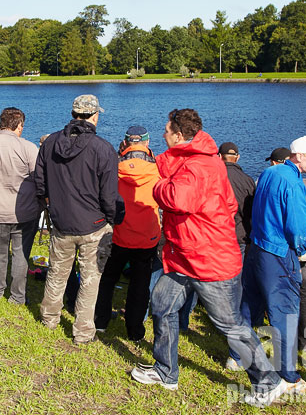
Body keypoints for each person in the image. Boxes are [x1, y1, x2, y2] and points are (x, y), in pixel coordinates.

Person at [131, 109, 288, 406]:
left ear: (179, 135)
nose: (163, 133)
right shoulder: (205, 161)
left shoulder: (198, 166)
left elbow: (177, 199)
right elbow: (228, 204)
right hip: (183, 256)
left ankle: (268, 381)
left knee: (230, 324)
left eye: (167, 130)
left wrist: (157, 186)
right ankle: (166, 371)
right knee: (162, 306)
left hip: (209, 260)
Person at [241, 136, 306, 393]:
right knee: (286, 314)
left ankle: (237, 357)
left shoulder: (269, 172)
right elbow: (297, 227)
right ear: (298, 155)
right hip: (279, 253)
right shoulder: (294, 182)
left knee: (247, 308)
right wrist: (302, 249)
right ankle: (288, 376)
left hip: (257, 248)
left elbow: (258, 206)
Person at [35, 94, 117, 345]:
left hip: (62, 222)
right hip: (94, 225)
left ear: (73, 115)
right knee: (90, 280)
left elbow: (40, 184)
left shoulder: (49, 144)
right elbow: (109, 194)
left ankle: (49, 319)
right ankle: (82, 332)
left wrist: (50, 206)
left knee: (57, 274)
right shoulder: (103, 148)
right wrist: (111, 220)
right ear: (94, 116)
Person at [94, 126, 160, 341]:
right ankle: (135, 331)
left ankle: (100, 321)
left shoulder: (114, 166)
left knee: (108, 278)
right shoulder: (158, 169)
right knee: (140, 285)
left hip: (118, 232)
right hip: (147, 234)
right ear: (147, 144)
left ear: (125, 144)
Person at [0, 107, 40, 305]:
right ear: (19, 126)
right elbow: (39, 179)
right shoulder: (28, 148)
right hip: (24, 212)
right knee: (20, 255)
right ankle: (17, 296)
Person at [219, 141, 255, 255]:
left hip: (217, 236)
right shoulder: (248, 180)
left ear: (219, 156)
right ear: (237, 157)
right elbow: (251, 213)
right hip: (240, 236)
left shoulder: (211, 178)